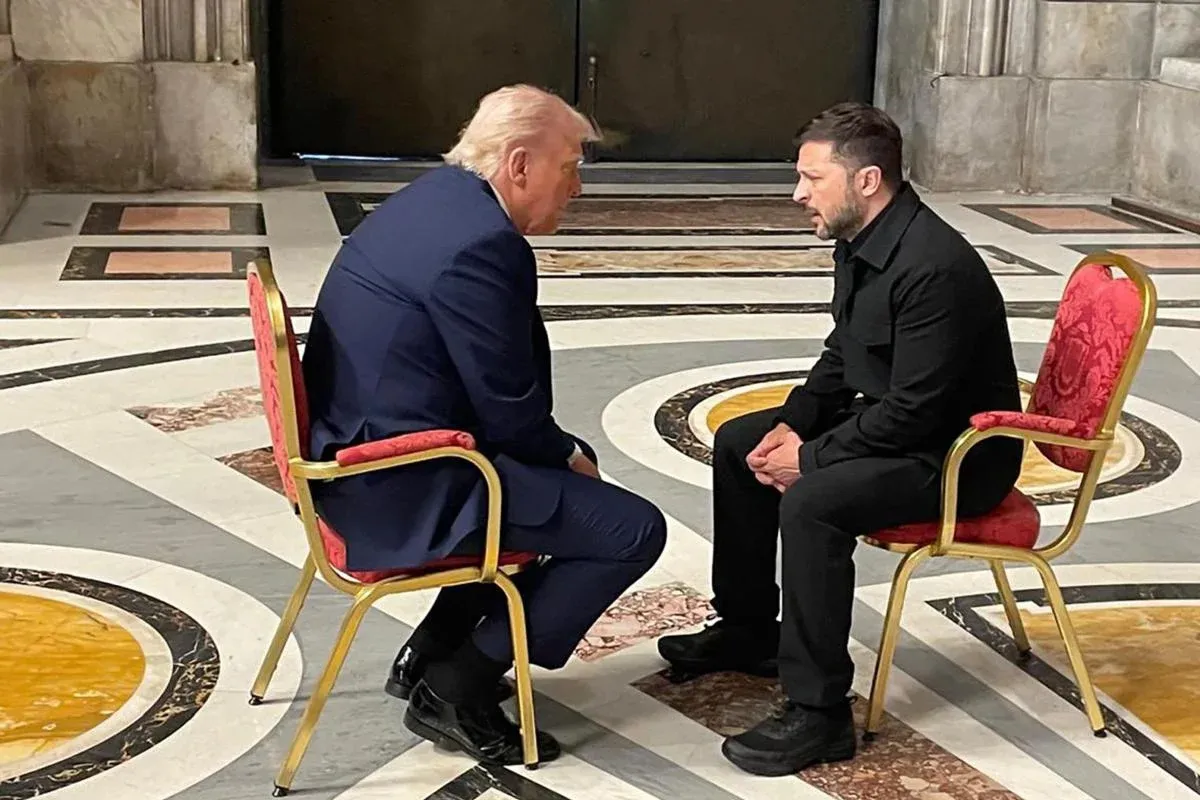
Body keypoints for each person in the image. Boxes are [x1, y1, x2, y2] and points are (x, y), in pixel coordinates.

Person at [302, 84, 667, 766]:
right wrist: (565, 456)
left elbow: (490, 394)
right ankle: (455, 685)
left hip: (361, 453)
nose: (578, 188)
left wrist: (555, 453)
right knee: (629, 529)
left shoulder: (434, 200)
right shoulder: (480, 244)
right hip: (400, 482)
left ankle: (433, 650)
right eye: (570, 168)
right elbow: (508, 407)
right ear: (520, 164)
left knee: (562, 488)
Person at [656, 102, 1024, 776]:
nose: (798, 194)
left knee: (813, 501)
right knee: (743, 441)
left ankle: (820, 713)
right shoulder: (860, 239)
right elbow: (842, 353)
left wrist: (812, 458)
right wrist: (792, 424)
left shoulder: (934, 269)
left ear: (867, 180)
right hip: (900, 427)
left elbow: (916, 414)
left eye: (811, 178)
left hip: (955, 457)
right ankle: (747, 629)